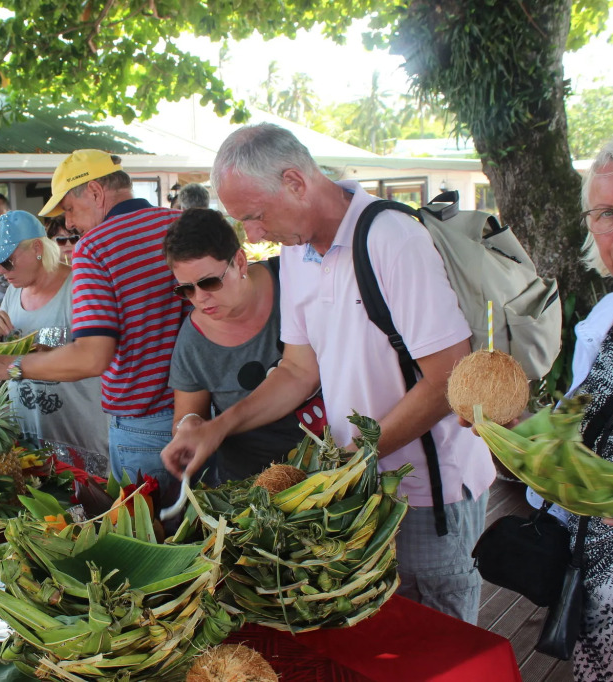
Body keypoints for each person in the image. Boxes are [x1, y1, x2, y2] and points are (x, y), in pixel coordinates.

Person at [161, 123, 494, 624]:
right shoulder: (297, 253)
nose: (252, 235)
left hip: (427, 496)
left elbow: (449, 378)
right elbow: (298, 369)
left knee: (434, 640)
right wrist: (217, 427)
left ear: (296, 182)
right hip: (359, 493)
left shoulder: (391, 238)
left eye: (255, 216)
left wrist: (350, 462)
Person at [0, 150, 186, 500]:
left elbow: (92, 357)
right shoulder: (181, 224)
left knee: (141, 527)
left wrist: (12, 366)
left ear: (94, 191)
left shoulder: (96, 246)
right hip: (195, 417)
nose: (70, 224)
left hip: (139, 424)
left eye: (70, 209)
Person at [543, 136, 613, 680]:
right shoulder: (604, 318)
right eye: (607, 213)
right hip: (597, 595)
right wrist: (512, 429)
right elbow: (574, 436)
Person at [164, 208, 325, 483]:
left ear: (239, 262)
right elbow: (187, 414)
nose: (200, 298)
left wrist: (218, 426)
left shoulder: (293, 280)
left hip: (333, 466)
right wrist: (189, 425)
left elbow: (301, 373)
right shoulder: (192, 341)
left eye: (209, 282)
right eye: (186, 289)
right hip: (249, 485)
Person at [0, 211, 109, 476]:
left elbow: (93, 359)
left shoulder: (78, 288)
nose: (1, 271)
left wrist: (15, 364)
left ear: (37, 248)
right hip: (28, 439)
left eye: (7, 261)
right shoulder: (13, 293)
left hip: (79, 440)